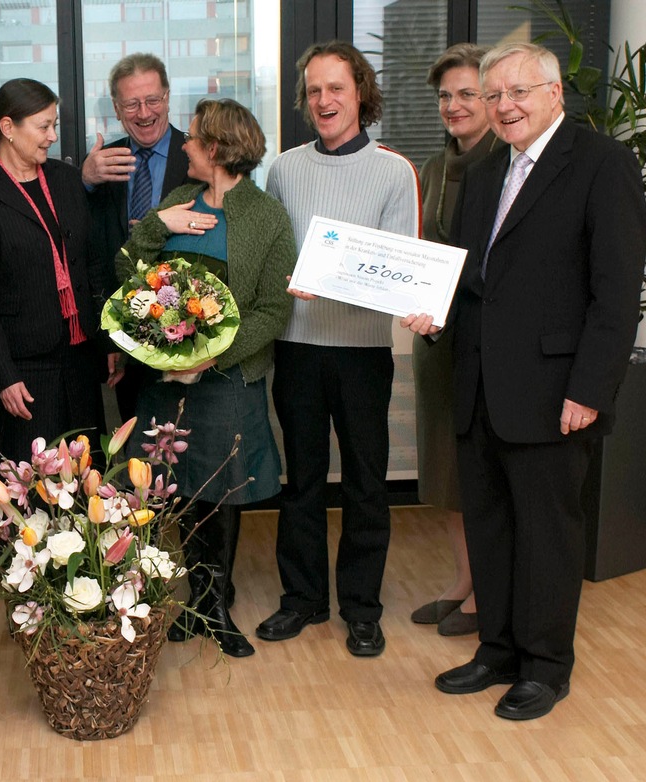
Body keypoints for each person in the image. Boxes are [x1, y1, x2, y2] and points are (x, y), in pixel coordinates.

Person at [405, 42, 645, 720]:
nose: (504, 106)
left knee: (547, 535)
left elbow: (615, 294)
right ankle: (499, 649)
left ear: (555, 93)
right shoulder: (484, 172)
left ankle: (545, 665)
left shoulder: (602, 164)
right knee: (491, 527)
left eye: (519, 92)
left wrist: (591, 390)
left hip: (554, 393)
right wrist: (433, 315)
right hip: (480, 387)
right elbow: (471, 280)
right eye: (495, 95)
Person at [258, 41, 420, 658]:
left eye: (337, 89)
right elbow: (273, 258)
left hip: (361, 352)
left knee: (364, 483)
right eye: (315, 90)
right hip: (296, 348)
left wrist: (338, 279)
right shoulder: (284, 169)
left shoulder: (392, 170)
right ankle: (301, 600)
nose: (325, 101)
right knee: (299, 481)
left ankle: (361, 607)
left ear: (361, 95)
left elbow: (401, 269)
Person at [118, 99, 296, 658]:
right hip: (163, 381)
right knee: (177, 488)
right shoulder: (175, 201)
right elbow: (129, 274)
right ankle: (196, 598)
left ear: (215, 149)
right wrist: (155, 226)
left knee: (219, 491)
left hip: (226, 380)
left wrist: (210, 356)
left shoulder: (267, 217)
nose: (185, 146)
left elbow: (272, 309)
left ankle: (215, 607)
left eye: (193, 139)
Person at [0, 78, 115, 472]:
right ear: (8, 128)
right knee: (32, 490)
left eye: (53, 125)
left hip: (78, 358)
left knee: (85, 483)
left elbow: (90, 261)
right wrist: (4, 376)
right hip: (23, 371)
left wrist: (108, 339)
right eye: (43, 127)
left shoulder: (64, 179)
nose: (52, 136)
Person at [410, 43, 505, 637]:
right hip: (439, 344)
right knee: (448, 470)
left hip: (491, 347)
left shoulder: (511, 163)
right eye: (446, 95)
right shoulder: (435, 166)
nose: (454, 105)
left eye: (468, 93)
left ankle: (490, 593)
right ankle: (465, 580)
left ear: (493, 100)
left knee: (487, 474)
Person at [83, 52, 194, 419]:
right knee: (140, 457)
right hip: (126, 334)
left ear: (167, 97)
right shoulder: (104, 161)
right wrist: (83, 181)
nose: (144, 113)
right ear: (116, 108)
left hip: (192, 332)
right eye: (131, 103)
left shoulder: (198, 156)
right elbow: (87, 248)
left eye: (152, 100)